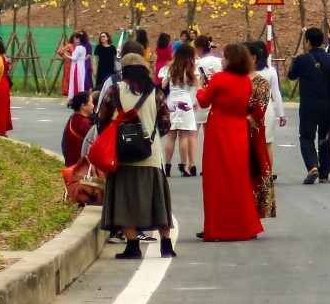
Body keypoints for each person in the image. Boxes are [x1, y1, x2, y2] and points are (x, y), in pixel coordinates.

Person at [98, 54, 175, 259]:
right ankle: (166, 244)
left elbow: (102, 120)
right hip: (150, 157)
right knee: (157, 202)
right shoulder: (156, 93)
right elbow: (165, 125)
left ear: (123, 71)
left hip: (122, 156)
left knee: (124, 202)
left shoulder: (114, 91)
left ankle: (132, 246)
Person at [195, 43, 265, 242]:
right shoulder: (246, 81)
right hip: (239, 131)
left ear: (230, 59)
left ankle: (216, 226)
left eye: (224, 57)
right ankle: (243, 225)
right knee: (238, 180)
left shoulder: (218, 79)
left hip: (218, 131)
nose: (222, 60)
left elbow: (204, 102)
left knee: (215, 181)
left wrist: (201, 87)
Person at [285, 27, 330, 185]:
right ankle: (324, 174)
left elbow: (291, 76)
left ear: (308, 42)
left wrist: (294, 61)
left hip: (308, 106)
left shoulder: (302, 59)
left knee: (306, 137)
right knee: (326, 139)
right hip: (327, 106)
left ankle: (312, 167)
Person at [246, 41, 279, 219]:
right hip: (241, 127)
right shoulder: (238, 79)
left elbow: (273, 96)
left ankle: (259, 208)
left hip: (257, 123)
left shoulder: (262, 79)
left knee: (261, 155)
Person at [162, 43, 201, 177]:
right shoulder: (191, 69)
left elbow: (163, 84)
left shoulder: (170, 68)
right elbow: (196, 85)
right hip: (185, 101)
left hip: (172, 101)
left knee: (171, 135)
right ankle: (183, 166)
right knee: (184, 135)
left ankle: (167, 165)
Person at [61, 91, 95, 167]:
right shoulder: (83, 121)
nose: (93, 106)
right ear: (83, 106)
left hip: (72, 163)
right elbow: (96, 137)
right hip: (79, 165)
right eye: (91, 102)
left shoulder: (74, 117)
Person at [63, 30, 91, 100]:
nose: (74, 40)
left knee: (75, 82)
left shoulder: (78, 48)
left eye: (76, 38)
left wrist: (66, 55)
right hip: (81, 66)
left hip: (76, 67)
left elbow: (74, 58)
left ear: (79, 39)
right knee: (80, 82)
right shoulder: (83, 48)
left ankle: (75, 98)